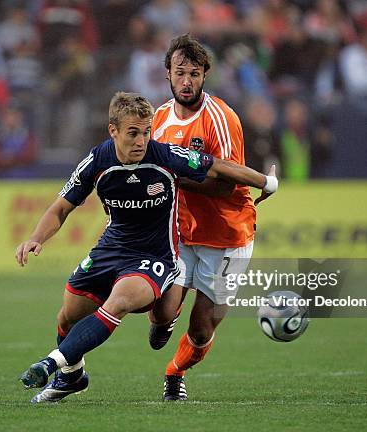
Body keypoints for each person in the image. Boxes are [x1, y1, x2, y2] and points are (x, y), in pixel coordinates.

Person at [16, 92, 278, 403]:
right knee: (67, 316)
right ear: (113, 130)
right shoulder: (98, 160)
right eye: (133, 133)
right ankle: (73, 376)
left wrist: (266, 181)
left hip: (154, 256)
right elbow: (61, 207)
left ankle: (50, 364)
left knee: (118, 302)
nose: (141, 141)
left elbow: (219, 166)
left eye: (146, 131)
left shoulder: (164, 155)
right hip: (110, 249)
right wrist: (36, 237)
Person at [149, 34, 272, 401]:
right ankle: (162, 320)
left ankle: (175, 372)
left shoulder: (221, 118)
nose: (187, 81)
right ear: (168, 74)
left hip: (226, 235)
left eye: (195, 73)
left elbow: (225, 187)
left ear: (205, 76)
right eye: (180, 72)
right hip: (181, 232)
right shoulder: (158, 118)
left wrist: (175, 180)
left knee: (201, 329)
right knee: (160, 312)